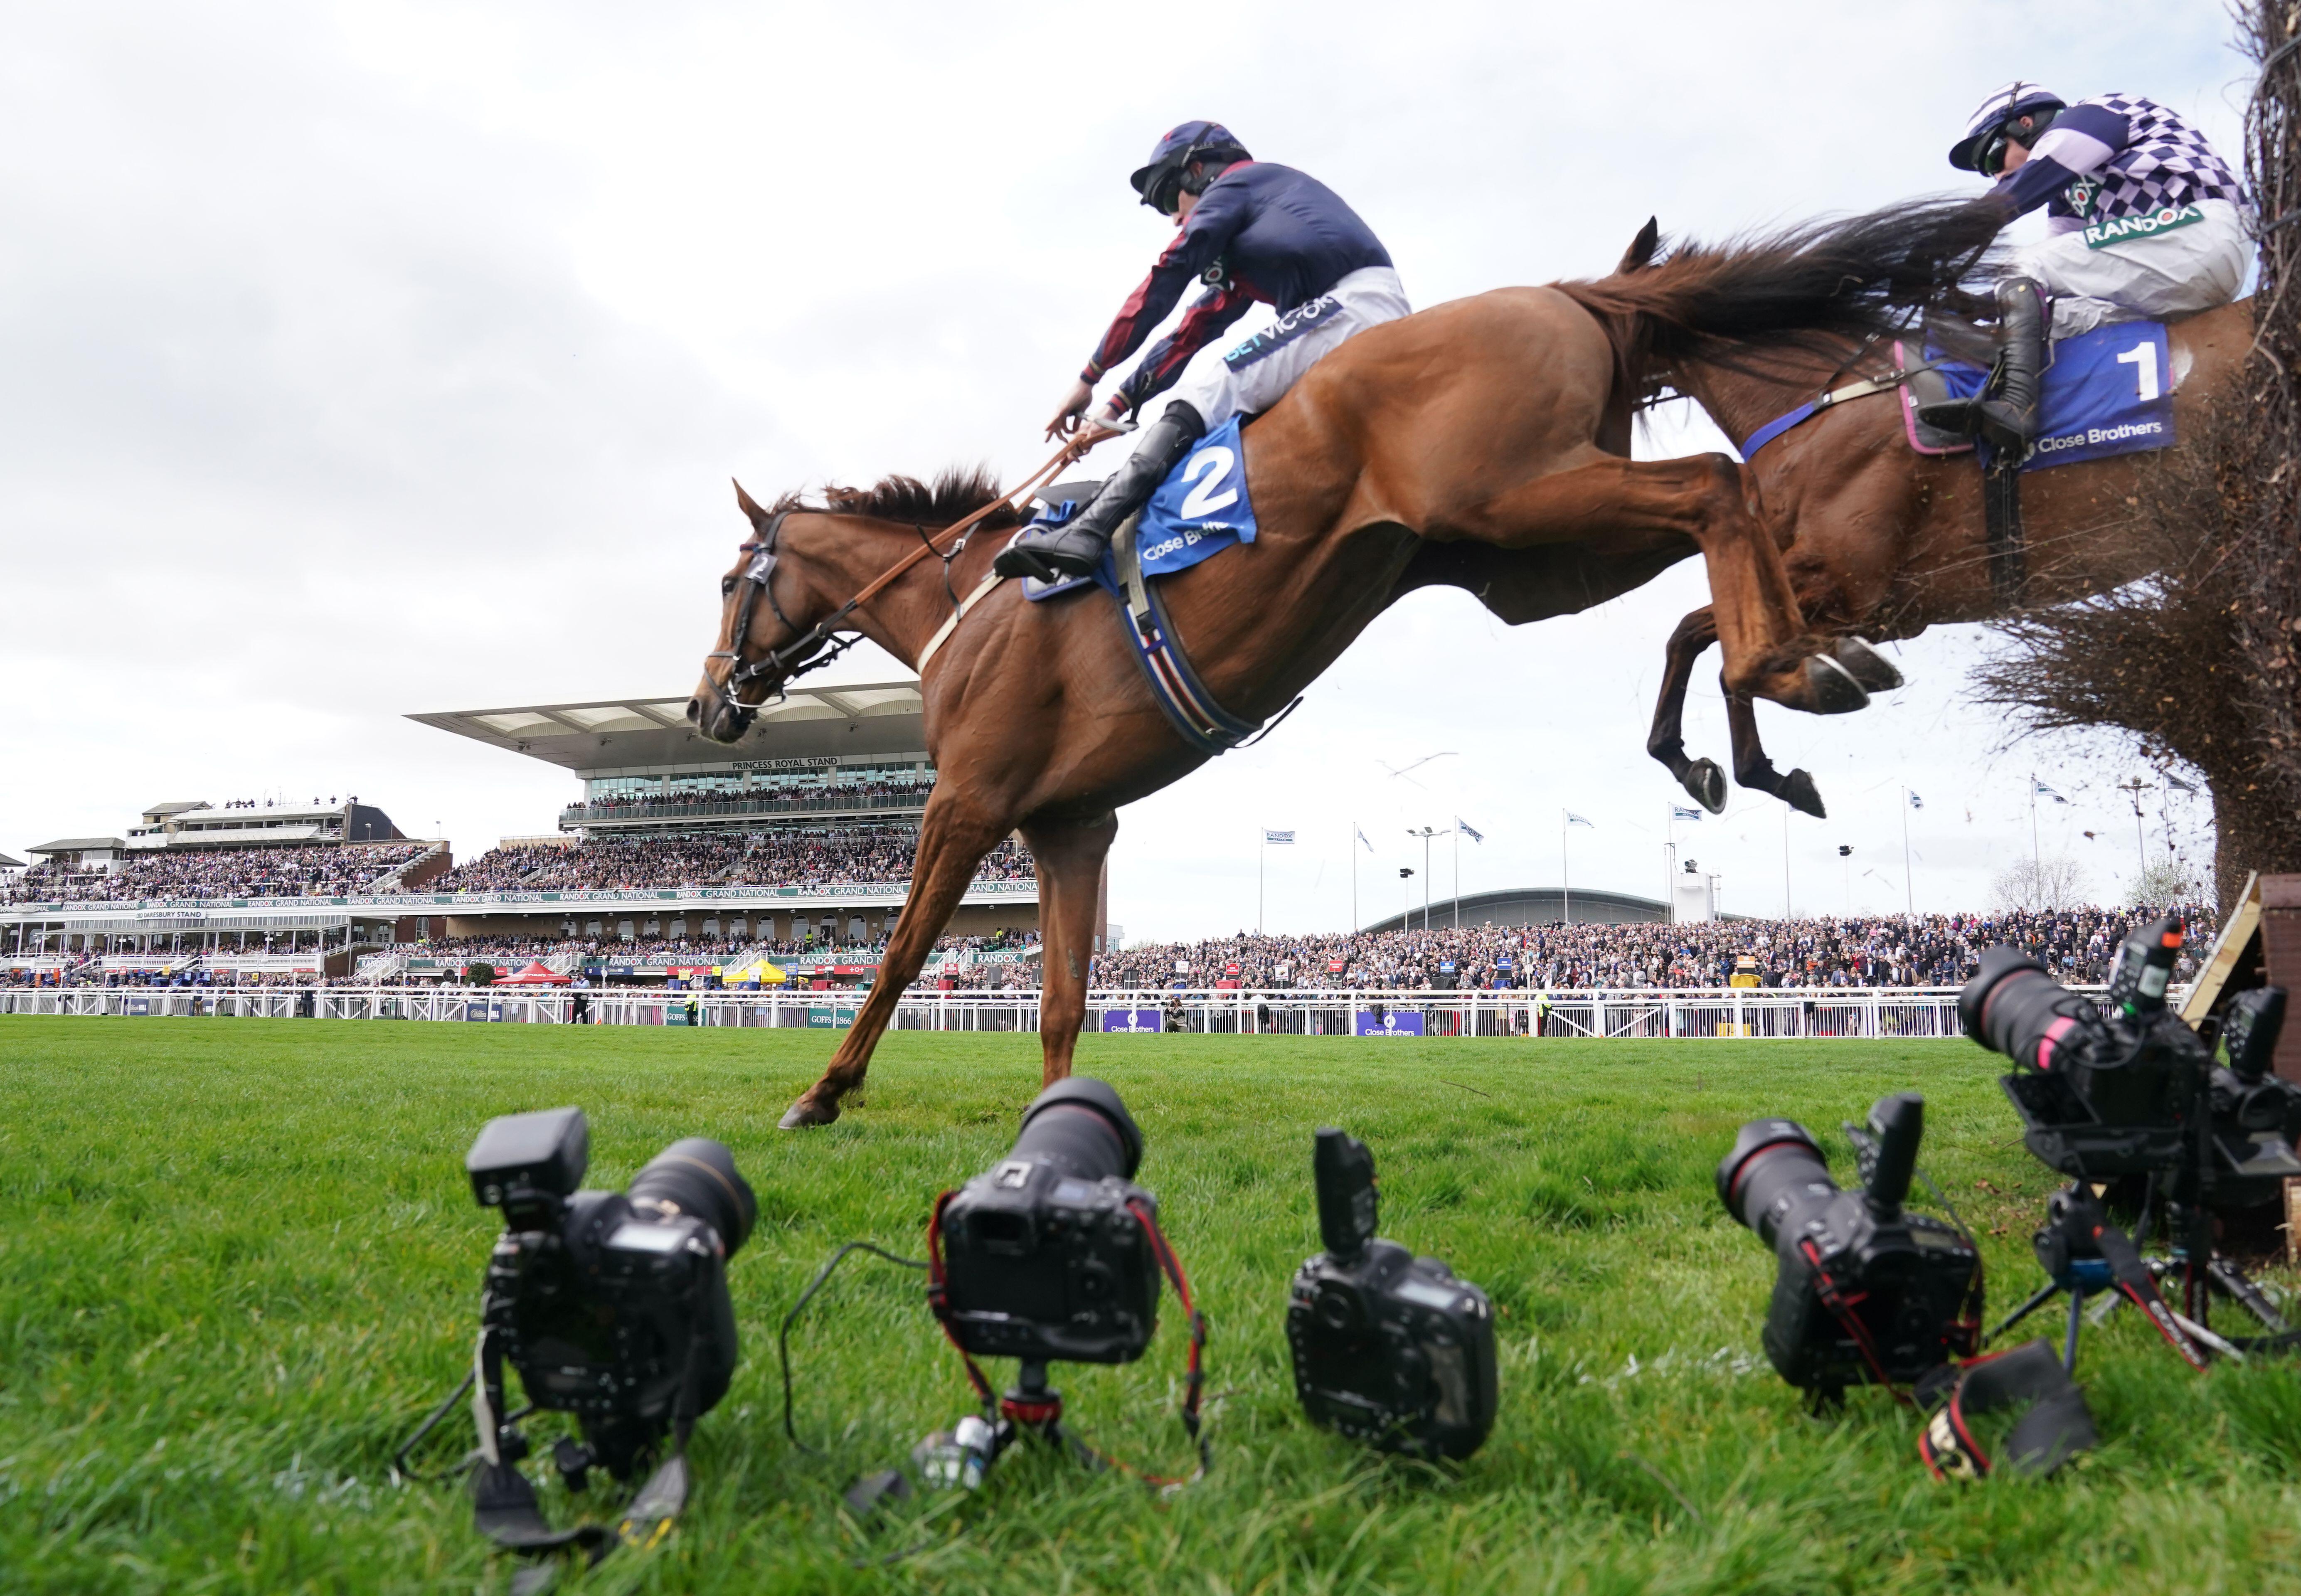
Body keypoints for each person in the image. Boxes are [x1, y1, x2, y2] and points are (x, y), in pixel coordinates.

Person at [995, 121, 1408, 582]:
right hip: (1350, 307)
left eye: (1171, 200)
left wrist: (1090, 375)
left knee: (1207, 393)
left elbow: (1165, 277)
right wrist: (1113, 409)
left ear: (1197, 171)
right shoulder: (1258, 226)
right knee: (1228, 406)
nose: (1173, 218)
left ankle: (1090, 530)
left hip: (1349, 306)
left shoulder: (1235, 185)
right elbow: (1191, 331)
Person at [1922, 83, 2253, 450]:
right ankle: (2001, 414)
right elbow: (2049, 277)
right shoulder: (2068, 194)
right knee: (2052, 319)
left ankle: (2017, 406)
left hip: (2201, 230)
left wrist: (1936, 242)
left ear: (2025, 124)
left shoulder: (2097, 113)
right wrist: (1983, 305)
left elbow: (2023, 191)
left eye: (1993, 157)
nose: (1996, 174)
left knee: (2021, 262)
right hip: (2172, 274)